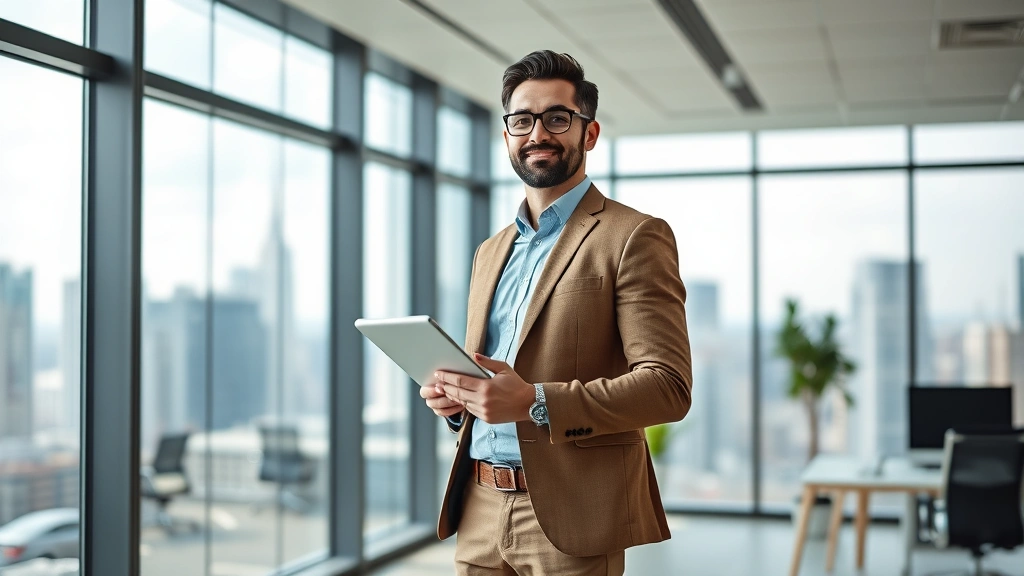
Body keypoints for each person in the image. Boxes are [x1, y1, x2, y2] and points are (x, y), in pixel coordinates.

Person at [420, 50, 693, 576]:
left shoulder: (633, 236)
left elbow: (667, 387)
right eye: (522, 120)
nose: (537, 133)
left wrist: (533, 401)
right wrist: (457, 401)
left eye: (557, 118)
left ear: (588, 134)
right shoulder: (490, 251)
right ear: (506, 136)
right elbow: (492, 376)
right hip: (476, 506)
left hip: (572, 514)